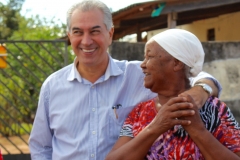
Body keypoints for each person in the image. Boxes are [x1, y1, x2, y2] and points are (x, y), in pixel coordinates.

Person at [28, 0, 222, 159]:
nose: (86, 41)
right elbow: (41, 147)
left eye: (95, 31)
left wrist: (201, 89)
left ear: (110, 34)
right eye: (78, 32)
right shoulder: (53, 86)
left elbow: (193, 74)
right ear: (70, 36)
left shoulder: (139, 75)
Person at [105, 29, 240, 160]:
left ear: (176, 63)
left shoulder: (214, 109)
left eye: (149, 57)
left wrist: (198, 131)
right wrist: (154, 127)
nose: (143, 65)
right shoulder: (139, 113)